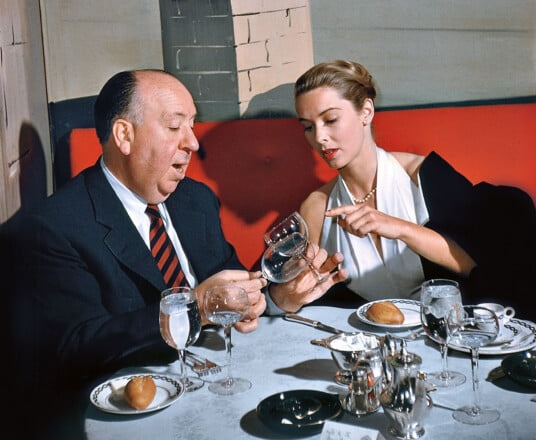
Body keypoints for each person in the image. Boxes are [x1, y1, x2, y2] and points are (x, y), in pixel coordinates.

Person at [3, 69, 343, 437]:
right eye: (174, 127)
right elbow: (77, 348)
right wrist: (190, 309)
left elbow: (227, 289)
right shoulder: (55, 227)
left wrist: (275, 297)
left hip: (217, 387)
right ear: (124, 135)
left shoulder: (195, 200)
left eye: (192, 126)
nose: (193, 144)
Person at [294, 59, 536, 318]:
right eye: (308, 126)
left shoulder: (423, 175)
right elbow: (303, 294)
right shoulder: (317, 207)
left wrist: (400, 228)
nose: (319, 137)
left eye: (330, 119)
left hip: (448, 333)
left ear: (366, 111)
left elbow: (478, 266)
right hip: (368, 343)